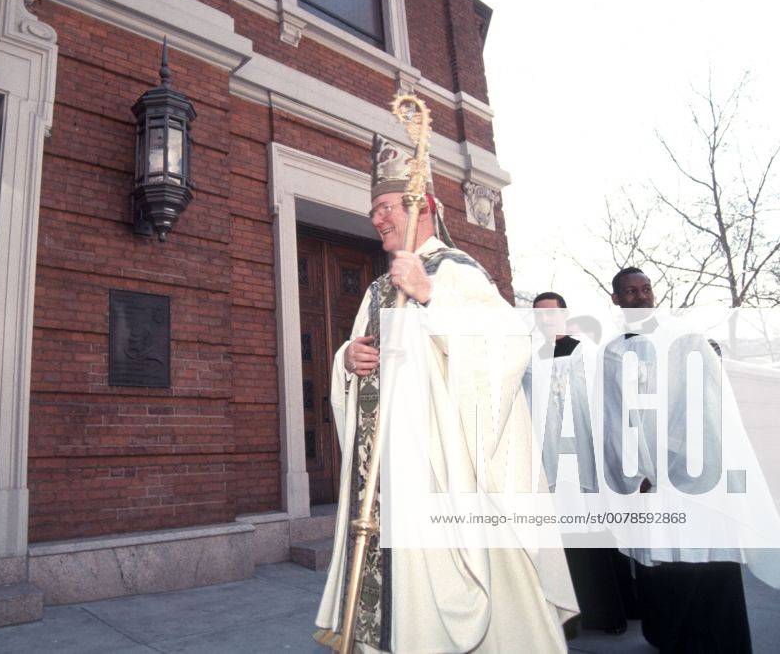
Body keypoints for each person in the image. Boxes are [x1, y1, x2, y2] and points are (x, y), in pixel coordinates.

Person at [314, 135, 577, 653]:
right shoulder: (376, 289)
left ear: (424, 207)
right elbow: (371, 360)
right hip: (385, 470)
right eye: (373, 211)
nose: (377, 220)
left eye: (386, 207)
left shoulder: (454, 271)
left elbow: (506, 345)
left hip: (438, 471)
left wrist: (431, 294)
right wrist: (347, 358)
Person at [603, 266, 753, 653]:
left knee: (708, 562)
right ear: (617, 299)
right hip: (650, 484)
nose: (641, 296)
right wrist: (634, 472)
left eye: (646, 288)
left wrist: (680, 458)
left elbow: (706, 405)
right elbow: (615, 418)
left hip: (693, 470)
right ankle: (673, 639)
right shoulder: (614, 352)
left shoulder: (684, 339)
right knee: (665, 568)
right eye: (631, 291)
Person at [529, 292, 628, 636]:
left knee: (595, 537)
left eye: (551, 314)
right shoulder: (529, 359)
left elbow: (605, 403)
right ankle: (570, 619)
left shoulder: (587, 352)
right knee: (562, 543)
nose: (545, 320)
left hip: (586, 460)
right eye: (538, 314)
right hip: (549, 463)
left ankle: (608, 615)